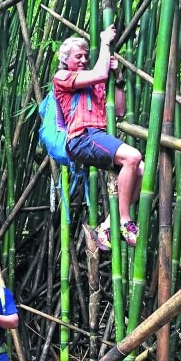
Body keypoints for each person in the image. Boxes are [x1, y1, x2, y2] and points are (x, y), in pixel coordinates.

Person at [53, 24, 144, 250]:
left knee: (140, 168)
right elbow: (99, 73)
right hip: (81, 138)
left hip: (97, 136)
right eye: (78, 56)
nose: (83, 60)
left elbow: (120, 111)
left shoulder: (96, 85)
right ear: (66, 60)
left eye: (86, 56)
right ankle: (124, 221)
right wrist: (104, 41)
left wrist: (119, 77)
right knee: (132, 157)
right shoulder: (62, 76)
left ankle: (107, 226)